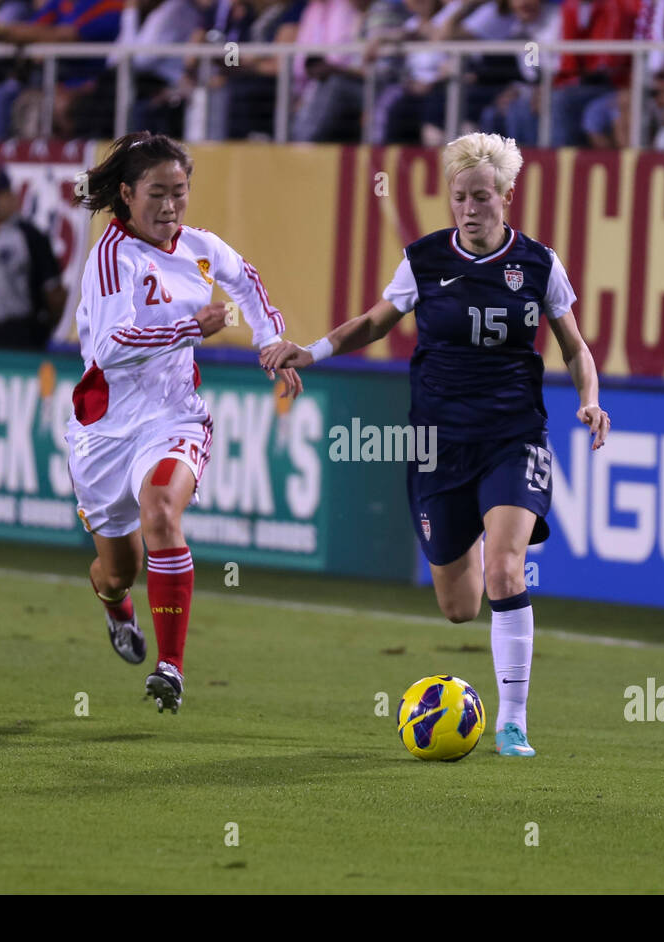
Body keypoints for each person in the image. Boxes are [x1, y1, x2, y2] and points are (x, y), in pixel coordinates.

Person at [260, 132, 611, 758]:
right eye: (459, 197)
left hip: (513, 435)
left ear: (506, 195)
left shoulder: (537, 264)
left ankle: (514, 723)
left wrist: (589, 397)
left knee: (507, 569)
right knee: (458, 607)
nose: (470, 207)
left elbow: (574, 346)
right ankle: (474, 527)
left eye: (482, 196)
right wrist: (309, 352)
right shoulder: (423, 260)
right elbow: (374, 322)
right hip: (437, 446)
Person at [68, 133, 302, 714]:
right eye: (157, 194)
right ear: (125, 194)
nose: (170, 207)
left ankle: (169, 667)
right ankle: (115, 606)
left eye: (180, 192)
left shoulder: (200, 246)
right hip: (104, 432)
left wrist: (271, 340)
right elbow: (110, 346)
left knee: (162, 513)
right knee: (117, 572)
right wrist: (191, 328)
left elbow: (246, 280)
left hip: (172, 416)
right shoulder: (110, 258)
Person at [0, 165, 67, 350]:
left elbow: (55, 293)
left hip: (18, 332)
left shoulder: (30, 237)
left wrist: (40, 330)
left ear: (11, 197)